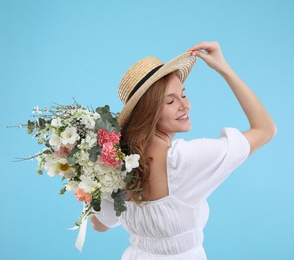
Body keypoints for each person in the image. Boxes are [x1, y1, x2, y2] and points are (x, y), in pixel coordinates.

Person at [90, 41, 277, 259]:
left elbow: (100, 225)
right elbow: (265, 129)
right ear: (148, 112)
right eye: (170, 101)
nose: (184, 105)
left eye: (184, 94)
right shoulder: (183, 160)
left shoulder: (116, 160)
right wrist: (224, 69)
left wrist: (86, 179)